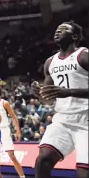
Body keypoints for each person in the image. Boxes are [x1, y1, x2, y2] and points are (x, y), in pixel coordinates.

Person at [31, 22, 88, 178]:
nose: (57, 32)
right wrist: (39, 93)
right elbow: (48, 99)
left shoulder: (84, 55)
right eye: (57, 29)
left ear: (75, 37)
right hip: (62, 120)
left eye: (63, 30)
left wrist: (69, 92)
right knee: (43, 159)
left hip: (86, 119)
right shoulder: (50, 62)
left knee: (84, 172)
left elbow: (64, 91)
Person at [0, 83, 25, 178]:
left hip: (4, 130)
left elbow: (14, 117)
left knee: (12, 156)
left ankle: (22, 176)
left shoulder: (4, 103)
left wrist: (18, 131)